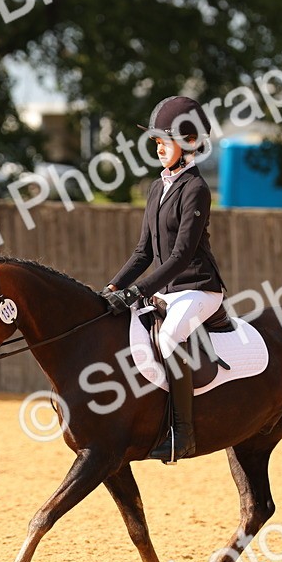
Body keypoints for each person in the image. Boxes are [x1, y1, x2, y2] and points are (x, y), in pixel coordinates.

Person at [101, 95, 227, 463]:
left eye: (164, 142)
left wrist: (138, 291)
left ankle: (183, 436)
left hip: (199, 288)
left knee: (170, 336)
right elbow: (143, 252)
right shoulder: (157, 189)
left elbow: (181, 255)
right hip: (166, 291)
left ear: (188, 144)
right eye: (156, 142)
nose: (158, 148)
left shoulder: (196, 189)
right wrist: (112, 288)